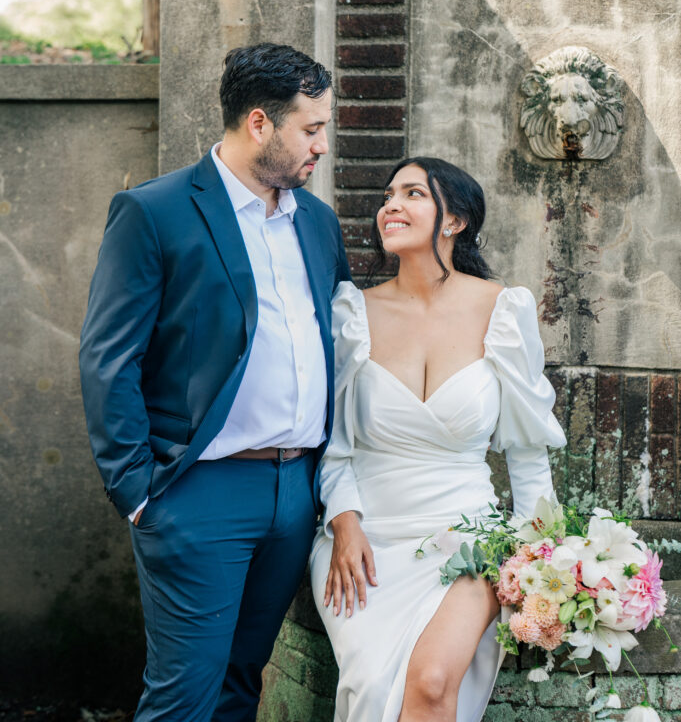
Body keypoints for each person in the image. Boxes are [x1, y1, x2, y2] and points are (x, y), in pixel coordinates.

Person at [80, 42, 351, 722]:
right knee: (183, 698)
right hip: (197, 492)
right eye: (310, 128)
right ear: (260, 123)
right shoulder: (157, 211)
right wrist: (137, 491)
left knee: (240, 687)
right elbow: (108, 359)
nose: (321, 144)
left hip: (295, 496)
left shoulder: (316, 221)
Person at [310, 156, 566, 722]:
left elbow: (526, 457)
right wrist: (343, 522)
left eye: (412, 194)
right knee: (380, 686)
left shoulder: (502, 309)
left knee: (429, 682)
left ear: (455, 221)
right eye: (387, 195)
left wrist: (542, 559)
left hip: (467, 536)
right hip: (366, 541)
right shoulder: (351, 312)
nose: (390, 206)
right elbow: (330, 445)